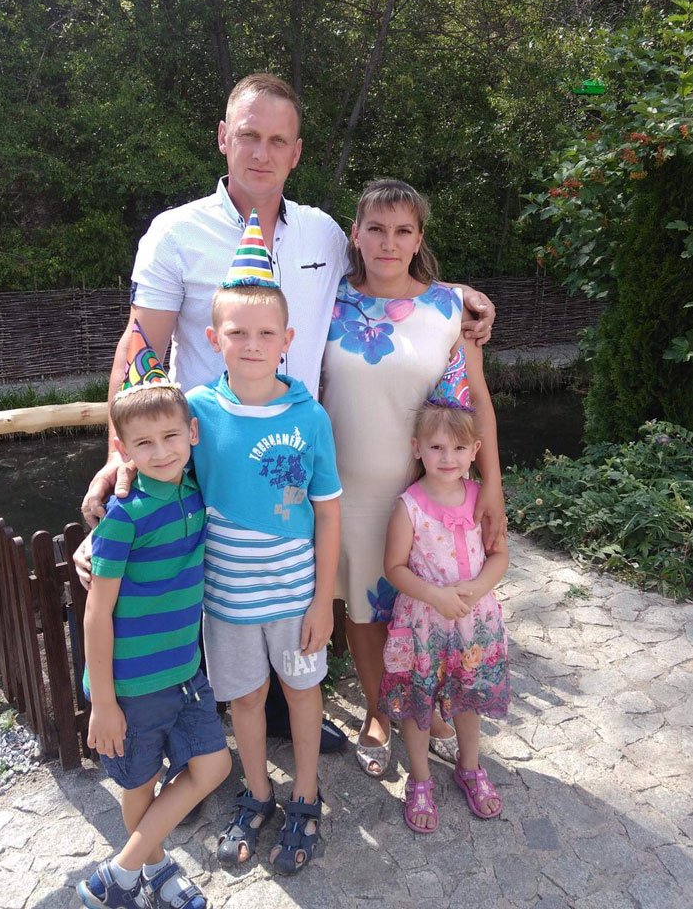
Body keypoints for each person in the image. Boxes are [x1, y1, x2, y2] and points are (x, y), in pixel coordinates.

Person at [79, 75, 497, 751]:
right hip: (206, 453)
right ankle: (173, 729)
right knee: (190, 586)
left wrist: (456, 293)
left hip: (298, 451)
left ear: (297, 152)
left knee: (290, 583)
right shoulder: (175, 234)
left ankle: (282, 712)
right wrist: (116, 453)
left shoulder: (322, 233)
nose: (262, 152)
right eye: (249, 135)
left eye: (278, 140)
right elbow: (138, 346)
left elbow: (384, 273)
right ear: (224, 137)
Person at [321, 179, 506, 779]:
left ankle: (428, 712)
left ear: (419, 238)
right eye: (376, 229)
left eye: (403, 230)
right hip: (346, 491)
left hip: (426, 497)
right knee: (364, 611)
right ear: (355, 234)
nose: (388, 242)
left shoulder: (449, 309)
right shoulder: (327, 301)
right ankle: (379, 712)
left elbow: (478, 401)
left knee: (427, 610)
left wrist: (493, 486)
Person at [185, 238, 341, 873]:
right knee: (245, 699)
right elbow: (154, 471)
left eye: (266, 333)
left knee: (302, 693)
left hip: (294, 596)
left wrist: (323, 602)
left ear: (287, 339)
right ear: (214, 337)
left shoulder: (310, 417)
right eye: (237, 332)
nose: (252, 345)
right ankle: (256, 792)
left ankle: (305, 795)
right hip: (226, 599)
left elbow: (327, 511)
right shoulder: (195, 413)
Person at [78, 327, 231, 909]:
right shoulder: (125, 516)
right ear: (124, 449)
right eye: (144, 443)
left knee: (213, 765)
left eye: (171, 436)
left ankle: (118, 874)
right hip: (132, 685)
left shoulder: (194, 488)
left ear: (191, 432)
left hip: (185, 672)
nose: (162, 451)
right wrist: (103, 702)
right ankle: (154, 872)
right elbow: (97, 612)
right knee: (140, 781)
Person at [379, 373, 510, 831]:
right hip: (422, 625)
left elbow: (499, 555)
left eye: (458, 448)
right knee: (419, 703)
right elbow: (394, 567)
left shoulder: (481, 501)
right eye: (436, 447)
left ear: (475, 451)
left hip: (475, 622)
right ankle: (419, 778)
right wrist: (435, 594)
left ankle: (469, 766)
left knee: (468, 699)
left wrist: (476, 588)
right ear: (417, 448)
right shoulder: (409, 506)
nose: (448, 457)